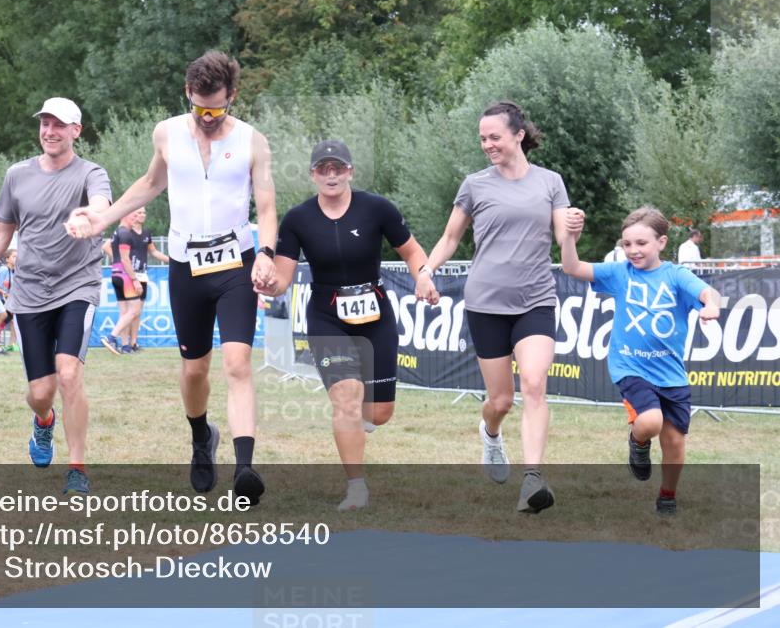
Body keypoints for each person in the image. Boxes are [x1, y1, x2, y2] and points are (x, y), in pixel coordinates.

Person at [66, 50, 277, 505]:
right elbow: (149, 184)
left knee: (237, 363)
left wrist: (266, 253)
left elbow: (267, 207)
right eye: (199, 107)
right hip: (187, 266)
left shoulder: (252, 142)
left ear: (232, 97)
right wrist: (102, 219)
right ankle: (202, 436)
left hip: (235, 262)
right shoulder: (166, 133)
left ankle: (245, 469)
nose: (206, 117)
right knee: (195, 369)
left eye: (216, 109)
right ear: (188, 94)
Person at [261, 140, 438, 510]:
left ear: (350, 172)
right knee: (346, 396)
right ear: (312, 175)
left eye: (337, 168)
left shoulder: (377, 208)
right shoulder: (298, 219)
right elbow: (283, 277)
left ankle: (362, 420)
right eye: (323, 168)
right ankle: (356, 486)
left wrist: (423, 275)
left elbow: (411, 250)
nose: (331, 174)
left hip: (376, 315)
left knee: (378, 413)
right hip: (326, 315)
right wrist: (268, 284)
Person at [0, 97, 112, 495]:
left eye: (59, 125)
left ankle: (77, 467)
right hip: (30, 292)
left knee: (69, 373)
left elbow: (102, 205)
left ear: (77, 130)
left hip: (78, 285)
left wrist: (89, 216)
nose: (50, 131)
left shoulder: (92, 173)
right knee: (41, 392)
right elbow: (0, 235)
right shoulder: (16, 176)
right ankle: (43, 422)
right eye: (45, 124)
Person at [425, 100, 571, 514]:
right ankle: (490, 434)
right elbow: (451, 237)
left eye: (495, 137)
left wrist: (573, 231)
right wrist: (426, 271)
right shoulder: (475, 184)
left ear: (518, 134)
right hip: (486, 303)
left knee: (535, 384)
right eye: (483, 138)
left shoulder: (550, 182)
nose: (488, 144)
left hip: (536, 299)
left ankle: (533, 478)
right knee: (502, 401)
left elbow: (563, 239)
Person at [561, 206, 720, 515]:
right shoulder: (620, 273)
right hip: (629, 366)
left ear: (661, 242)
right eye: (627, 244)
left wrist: (711, 306)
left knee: (674, 443)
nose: (633, 250)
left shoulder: (676, 275)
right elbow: (572, 268)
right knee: (649, 422)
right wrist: (569, 237)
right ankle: (639, 443)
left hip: (671, 374)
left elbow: (706, 292)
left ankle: (667, 496)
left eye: (641, 244)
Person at [100, 212, 143, 355]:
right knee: (135, 310)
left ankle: (125, 346)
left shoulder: (117, 232)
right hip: (125, 276)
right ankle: (111, 337)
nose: (136, 218)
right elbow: (125, 259)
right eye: (134, 215)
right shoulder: (125, 233)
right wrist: (135, 279)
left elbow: (111, 251)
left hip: (116, 274)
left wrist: (118, 262)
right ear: (124, 216)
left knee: (124, 313)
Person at [127, 206, 168, 351]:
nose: (142, 215)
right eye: (138, 212)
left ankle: (133, 343)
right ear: (132, 214)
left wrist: (172, 261)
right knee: (129, 312)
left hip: (142, 275)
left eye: (144, 212)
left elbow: (154, 252)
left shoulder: (146, 233)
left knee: (137, 312)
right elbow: (107, 246)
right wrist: (121, 261)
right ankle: (124, 344)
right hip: (129, 276)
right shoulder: (125, 232)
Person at [0, 248, 17, 350]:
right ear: (7, 259)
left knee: (14, 320)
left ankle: (12, 345)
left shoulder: (14, 271)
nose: (17, 259)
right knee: (3, 316)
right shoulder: (3, 270)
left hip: (9, 300)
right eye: (14, 257)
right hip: (0, 299)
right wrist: (5, 295)